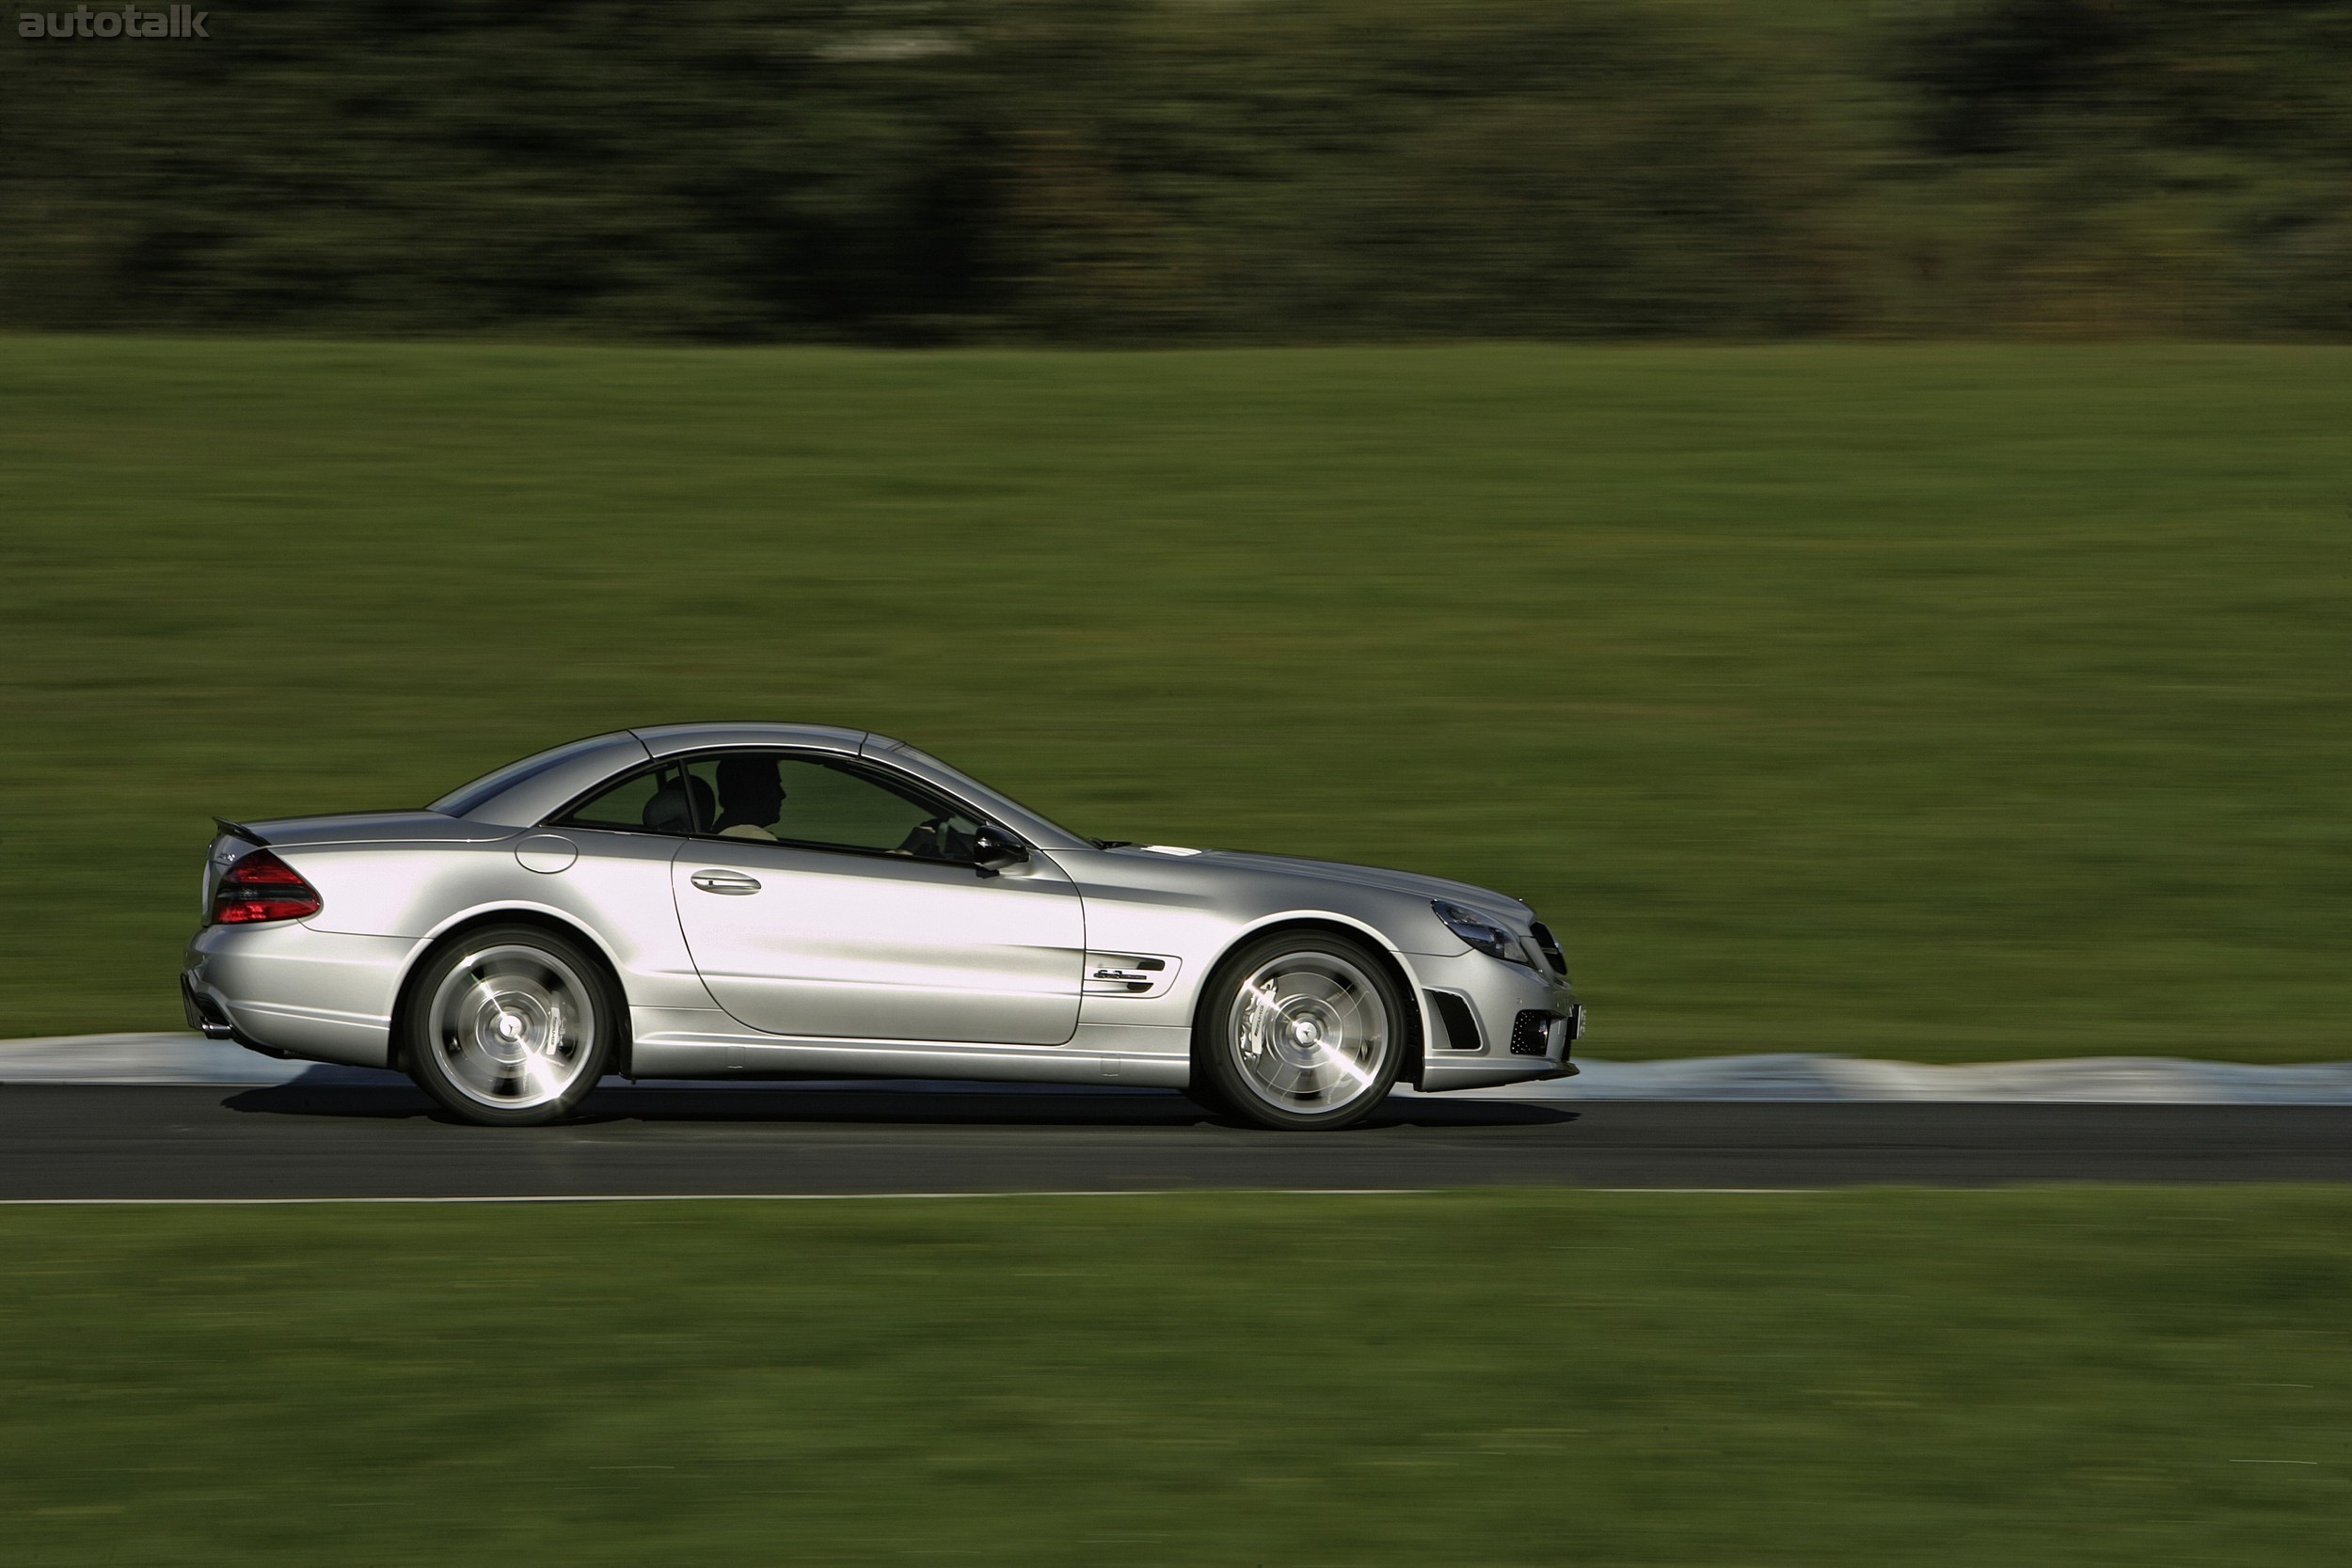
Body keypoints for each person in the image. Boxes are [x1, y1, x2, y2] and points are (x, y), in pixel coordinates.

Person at [711, 755, 786, 840]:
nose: (783, 795)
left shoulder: (721, 836)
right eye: (775, 786)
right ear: (754, 791)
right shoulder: (757, 839)